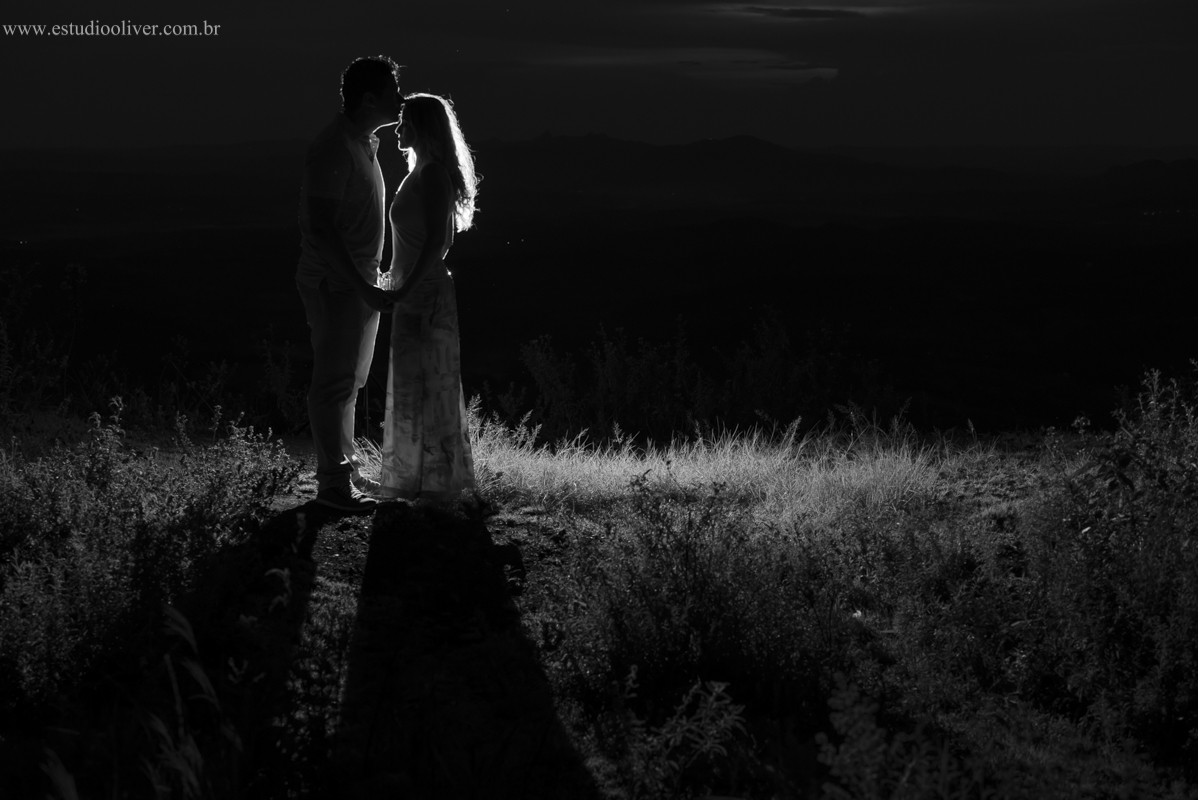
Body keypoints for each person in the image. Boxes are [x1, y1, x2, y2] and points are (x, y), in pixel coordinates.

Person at [296, 56, 401, 513]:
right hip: (337, 284)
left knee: (350, 381)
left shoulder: (363, 144)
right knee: (333, 381)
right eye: (394, 91)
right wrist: (361, 285)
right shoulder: (334, 147)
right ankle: (334, 485)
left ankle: (346, 471)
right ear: (370, 98)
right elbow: (322, 228)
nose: (401, 99)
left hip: (357, 283)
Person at [377, 93, 479, 501]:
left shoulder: (432, 173)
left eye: (404, 123)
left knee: (429, 386)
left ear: (420, 127)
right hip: (414, 290)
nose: (398, 130)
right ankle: (414, 482)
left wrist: (407, 285)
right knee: (411, 386)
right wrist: (395, 278)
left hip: (424, 293)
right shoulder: (418, 172)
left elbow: (440, 240)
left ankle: (434, 486)